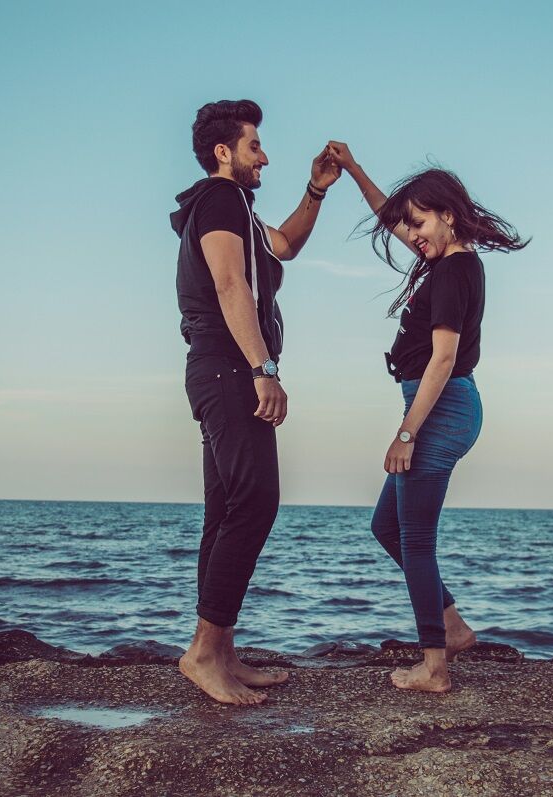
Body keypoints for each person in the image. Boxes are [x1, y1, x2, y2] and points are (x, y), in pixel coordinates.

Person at [328, 141, 529, 693]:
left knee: (415, 538)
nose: (411, 234)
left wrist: (406, 432)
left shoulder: (452, 272)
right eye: (408, 226)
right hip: (443, 404)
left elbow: (443, 356)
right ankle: (453, 627)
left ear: (447, 214)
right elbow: (391, 216)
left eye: (420, 223)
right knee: (386, 527)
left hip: (438, 409)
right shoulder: (452, 262)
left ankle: (434, 667)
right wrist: (352, 170)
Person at [169, 100, 340, 705]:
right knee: (256, 500)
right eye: (255, 145)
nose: (264, 155)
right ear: (225, 152)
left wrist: (315, 191)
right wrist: (262, 369)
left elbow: (285, 245)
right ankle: (203, 654)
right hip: (228, 368)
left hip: (219, 368)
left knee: (225, 508)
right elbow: (229, 283)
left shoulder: (237, 208)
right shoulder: (219, 200)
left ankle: (219, 651)